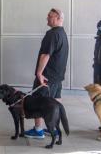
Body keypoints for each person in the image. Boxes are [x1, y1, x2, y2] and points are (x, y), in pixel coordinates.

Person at [24, 8, 69, 139]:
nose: (47, 18)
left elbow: (46, 55)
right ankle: (53, 128)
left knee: (39, 102)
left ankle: (38, 130)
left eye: (50, 16)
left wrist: (39, 73)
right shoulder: (62, 33)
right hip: (57, 77)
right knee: (55, 102)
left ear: (59, 18)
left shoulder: (52, 34)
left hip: (46, 77)